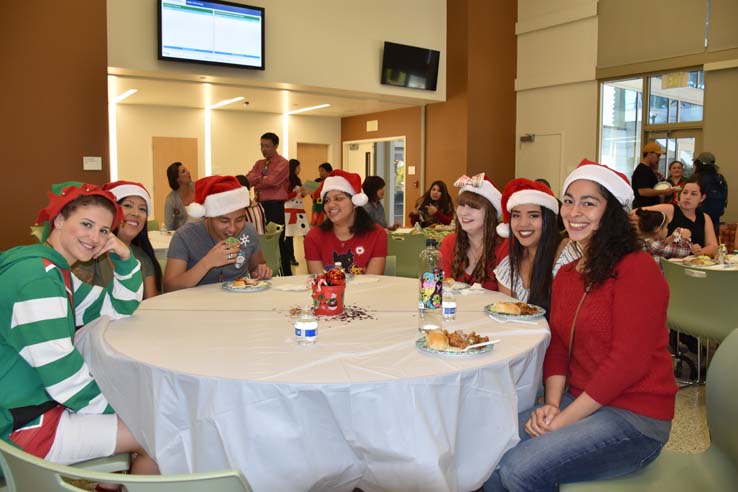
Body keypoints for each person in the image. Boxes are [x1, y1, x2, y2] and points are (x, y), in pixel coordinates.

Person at [485, 159, 677, 492]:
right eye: (569, 201)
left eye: (589, 203)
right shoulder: (569, 274)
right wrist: (552, 405)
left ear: (611, 212)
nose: (574, 212)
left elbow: (627, 363)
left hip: (636, 417)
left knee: (518, 468)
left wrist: (562, 421)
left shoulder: (637, 269)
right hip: (580, 399)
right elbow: (558, 345)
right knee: (487, 448)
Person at [0, 182, 158, 477]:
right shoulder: (38, 280)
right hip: (20, 425)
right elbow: (65, 379)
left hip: (29, 403)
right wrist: (123, 409)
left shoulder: (51, 270)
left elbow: (118, 308)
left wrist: (124, 259)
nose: (95, 238)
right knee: (158, 434)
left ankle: (108, 484)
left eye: (103, 230)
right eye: (86, 224)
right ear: (59, 220)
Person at [164, 175, 272, 292]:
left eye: (239, 220)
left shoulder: (249, 231)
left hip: (238, 303)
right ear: (209, 216)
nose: (232, 229)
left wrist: (261, 270)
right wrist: (208, 262)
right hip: (196, 305)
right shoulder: (184, 236)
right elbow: (170, 287)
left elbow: (257, 266)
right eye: (224, 221)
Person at [493, 179, 577, 314]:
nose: (523, 223)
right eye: (516, 215)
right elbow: (508, 318)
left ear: (548, 220)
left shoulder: (569, 255)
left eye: (533, 215)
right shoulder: (507, 268)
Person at [75, 181, 162, 299]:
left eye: (142, 209)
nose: (136, 213)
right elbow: (78, 305)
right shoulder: (90, 253)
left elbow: (152, 306)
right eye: (127, 205)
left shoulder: (143, 257)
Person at [304, 170, 387, 275]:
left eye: (338, 198)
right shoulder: (313, 237)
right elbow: (321, 283)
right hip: (329, 291)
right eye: (327, 200)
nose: (330, 205)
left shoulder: (376, 234)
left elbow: (372, 282)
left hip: (366, 291)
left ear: (355, 203)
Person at [439, 174, 502, 290]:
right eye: (461, 205)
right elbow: (444, 290)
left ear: (490, 213)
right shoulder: (450, 243)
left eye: (473, 207)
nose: (464, 213)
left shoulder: (503, 248)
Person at [245, 132, 291, 275]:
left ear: (276, 146)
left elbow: (273, 181)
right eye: (262, 146)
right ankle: (264, 270)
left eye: (267, 146)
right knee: (260, 240)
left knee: (277, 241)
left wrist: (258, 179)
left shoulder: (283, 163)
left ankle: (286, 273)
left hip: (274, 206)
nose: (264, 149)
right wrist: (262, 177)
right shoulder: (259, 163)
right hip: (259, 206)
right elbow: (248, 179)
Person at [637, 176, 719, 257]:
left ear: (702, 198)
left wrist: (699, 252)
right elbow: (635, 213)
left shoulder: (704, 217)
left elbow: (713, 246)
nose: (687, 197)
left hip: (692, 264)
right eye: (685, 192)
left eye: (693, 194)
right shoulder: (669, 209)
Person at [631, 142, 678, 208]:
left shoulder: (648, 169)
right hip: (644, 208)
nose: (658, 159)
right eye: (657, 156)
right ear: (649, 154)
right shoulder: (643, 170)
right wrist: (664, 191)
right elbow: (643, 191)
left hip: (649, 207)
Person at [693, 151, 728, 234]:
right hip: (715, 218)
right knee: (712, 242)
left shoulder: (697, 178)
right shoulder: (719, 178)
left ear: (698, 163)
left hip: (698, 217)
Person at [284, 159, 309, 266]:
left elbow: (300, 196)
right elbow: (284, 197)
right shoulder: (285, 181)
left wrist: (304, 193)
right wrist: (296, 192)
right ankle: (291, 257)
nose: (299, 169)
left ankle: (310, 255)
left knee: (306, 234)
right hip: (289, 212)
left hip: (300, 210)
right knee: (289, 235)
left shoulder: (298, 180)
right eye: (298, 167)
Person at [164, 161, 195, 231]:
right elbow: (169, 227)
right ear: (177, 179)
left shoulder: (199, 187)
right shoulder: (171, 200)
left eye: (187, 169)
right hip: (182, 237)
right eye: (184, 171)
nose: (188, 172)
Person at [310, 162, 333, 227]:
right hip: (316, 206)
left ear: (329, 171)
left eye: (322, 171)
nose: (320, 173)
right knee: (315, 223)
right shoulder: (316, 181)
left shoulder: (332, 181)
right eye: (319, 171)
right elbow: (306, 194)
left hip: (328, 205)